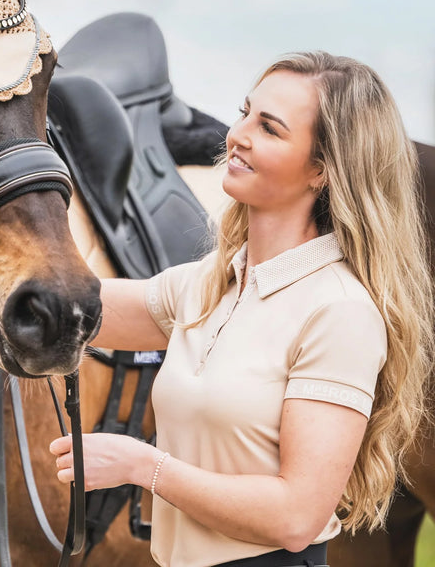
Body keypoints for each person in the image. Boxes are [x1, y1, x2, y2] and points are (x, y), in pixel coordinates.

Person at [50, 51, 434, 567]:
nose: (238, 134)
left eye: (270, 128)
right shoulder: (213, 284)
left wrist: (142, 465)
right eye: (245, 112)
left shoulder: (339, 312)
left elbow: (296, 518)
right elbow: (84, 307)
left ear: (321, 170)